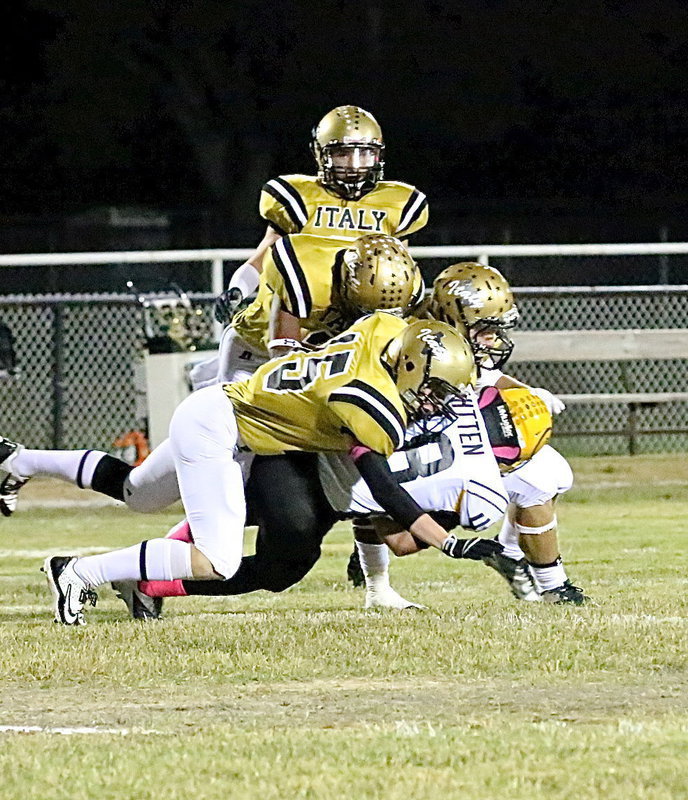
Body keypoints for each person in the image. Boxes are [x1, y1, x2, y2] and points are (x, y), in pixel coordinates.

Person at [34, 315, 495, 625]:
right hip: (221, 430)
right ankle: (77, 572)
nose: (438, 400)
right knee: (219, 561)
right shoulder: (373, 404)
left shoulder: (382, 332)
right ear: (410, 366)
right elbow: (385, 491)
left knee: (139, 495)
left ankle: (29, 468)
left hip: (218, 412)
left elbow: (389, 323)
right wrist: (447, 541)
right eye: (435, 388)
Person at [191, 104, 428, 387]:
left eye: (365, 153)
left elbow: (398, 273)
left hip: (339, 336)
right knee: (233, 415)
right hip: (266, 335)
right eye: (342, 153)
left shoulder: (396, 205)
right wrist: (238, 288)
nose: (354, 165)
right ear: (321, 154)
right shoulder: (299, 198)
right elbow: (264, 255)